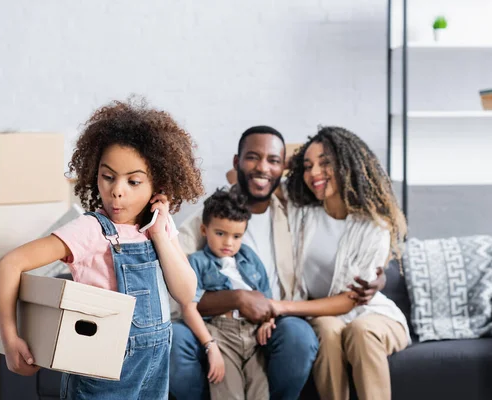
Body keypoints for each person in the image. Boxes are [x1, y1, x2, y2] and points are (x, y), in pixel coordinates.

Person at [0, 99, 205, 400]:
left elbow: (186, 294)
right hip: (100, 374)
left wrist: (159, 234)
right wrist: (10, 337)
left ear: (157, 182)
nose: (117, 190)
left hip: (154, 370)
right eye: (108, 176)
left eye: (133, 181)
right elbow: (9, 265)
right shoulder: (91, 229)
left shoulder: (161, 226)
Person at [170, 126, 319, 400]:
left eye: (273, 160)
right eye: (252, 157)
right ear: (237, 162)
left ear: (282, 167)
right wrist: (238, 298)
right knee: (175, 339)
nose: (262, 167)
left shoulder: (291, 214)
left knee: (300, 336)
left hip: (271, 324)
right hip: (215, 325)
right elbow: (177, 291)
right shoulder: (209, 217)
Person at [269, 126, 410, 400]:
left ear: (347, 165)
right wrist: (291, 162)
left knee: (361, 331)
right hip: (325, 316)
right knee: (325, 327)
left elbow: (350, 301)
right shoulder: (302, 211)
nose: (314, 173)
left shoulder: (374, 226)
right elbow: (240, 177)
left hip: (373, 317)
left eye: (325, 163)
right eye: (308, 166)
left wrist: (282, 307)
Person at [182, 187, 272, 400]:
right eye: (220, 233)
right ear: (205, 230)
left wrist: (268, 322)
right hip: (221, 335)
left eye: (236, 236)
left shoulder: (249, 257)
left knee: (260, 394)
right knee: (229, 393)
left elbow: (265, 298)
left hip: (254, 334)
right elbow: (188, 308)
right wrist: (210, 346)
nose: (228, 243)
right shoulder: (197, 262)